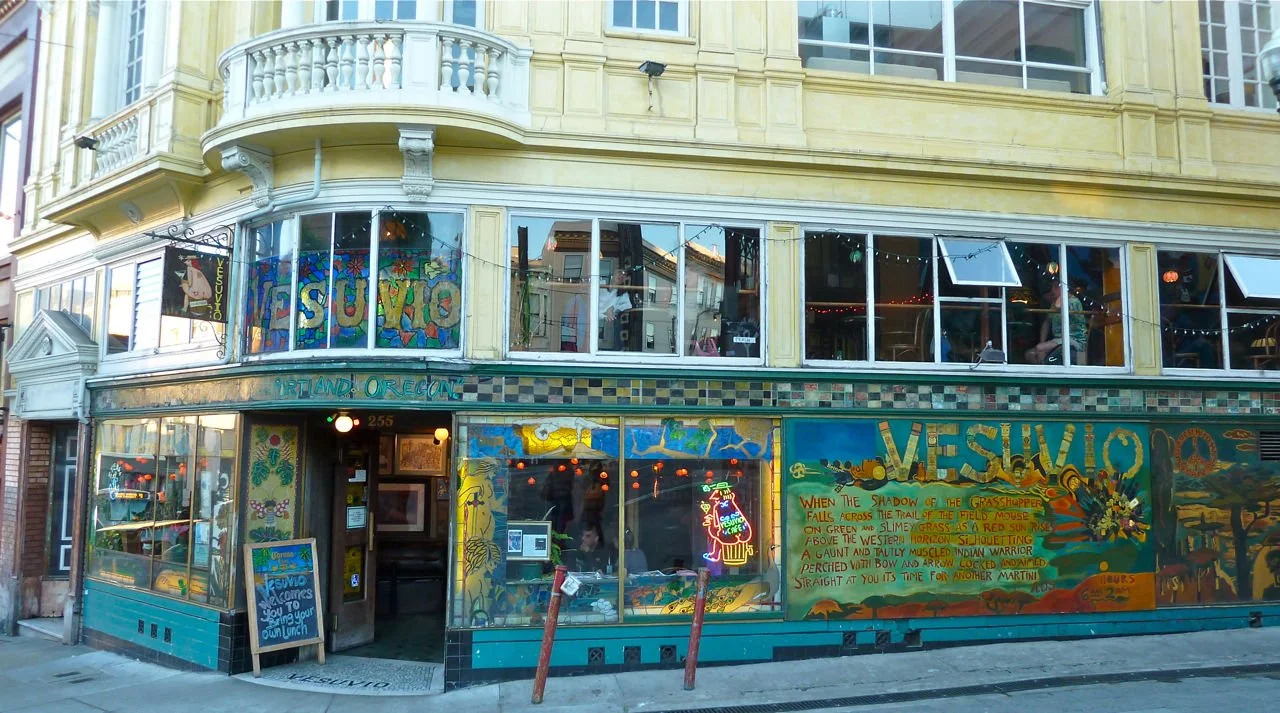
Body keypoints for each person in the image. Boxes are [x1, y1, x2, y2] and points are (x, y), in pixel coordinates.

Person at [1026, 283, 1087, 365]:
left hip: (1074, 339)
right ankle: (1043, 372)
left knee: (1040, 349)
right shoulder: (1054, 303)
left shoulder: (1073, 301)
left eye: (1055, 287)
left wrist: (1062, 294)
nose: (1052, 290)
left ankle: (1047, 373)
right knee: (1030, 354)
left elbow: (1058, 306)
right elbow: (1047, 322)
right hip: (1059, 340)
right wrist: (1042, 341)